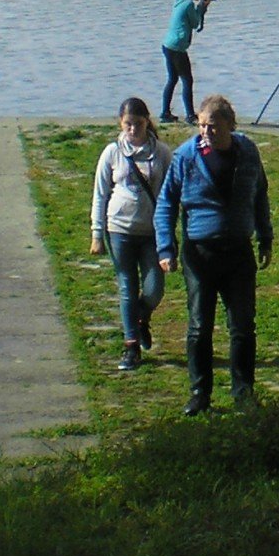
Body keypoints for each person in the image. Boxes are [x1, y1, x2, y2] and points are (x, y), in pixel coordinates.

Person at [154, 93, 272, 414]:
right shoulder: (185, 157)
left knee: (243, 326)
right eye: (202, 125)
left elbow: (260, 194)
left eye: (214, 127)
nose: (206, 132)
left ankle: (243, 392)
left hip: (238, 253)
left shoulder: (247, 152)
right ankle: (199, 393)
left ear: (230, 126)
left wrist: (265, 237)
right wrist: (167, 247)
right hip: (200, 254)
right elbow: (166, 204)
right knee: (199, 326)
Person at [89, 96, 170, 371]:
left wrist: (169, 231)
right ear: (120, 124)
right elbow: (100, 194)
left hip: (151, 232)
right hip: (119, 229)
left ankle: (141, 316)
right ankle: (131, 346)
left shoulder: (161, 153)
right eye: (127, 125)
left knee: (154, 288)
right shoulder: (112, 153)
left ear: (147, 121)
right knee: (127, 286)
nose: (133, 130)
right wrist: (97, 234)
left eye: (138, 124)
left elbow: (170, 194)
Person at [160, 0, 216, 124]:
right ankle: (190, 115)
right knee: (187, 80)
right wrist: (203, 8)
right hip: (178, 47)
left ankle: (165, 113)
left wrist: (200, 7)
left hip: (167, 45)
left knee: (172, 79)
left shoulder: (179, 0)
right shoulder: (189, 4)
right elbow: (195, 23)